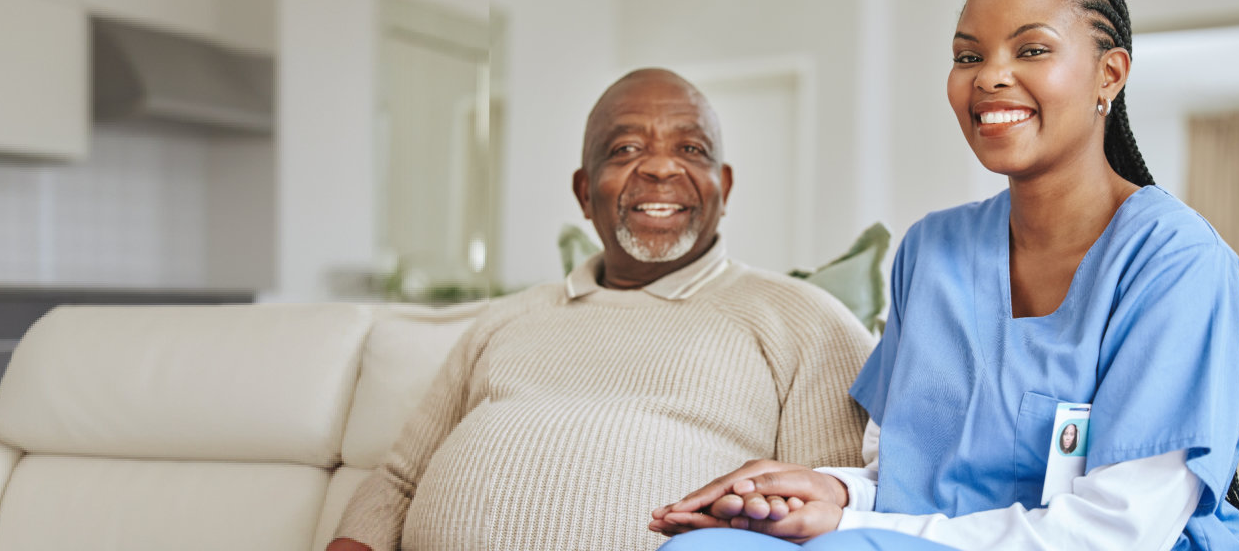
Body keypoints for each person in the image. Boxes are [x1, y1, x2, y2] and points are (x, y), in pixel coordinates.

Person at [647, 0, 1239, 549]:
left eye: (1032, 49)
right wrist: (830, 494)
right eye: (968, 55)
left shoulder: (1177, 264)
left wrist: (853, 534)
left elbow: (1114, 534)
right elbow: (913, 486)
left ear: (1110, 74)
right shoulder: (931, 251)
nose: (990, 76)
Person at [327, 68, 873, 551]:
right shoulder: (506, 318)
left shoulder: (804, 319)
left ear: (722, 187)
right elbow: (398, 481)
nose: (661, 168)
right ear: (585, 192)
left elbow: (838, 508)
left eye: (691, 150)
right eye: (625, 149)